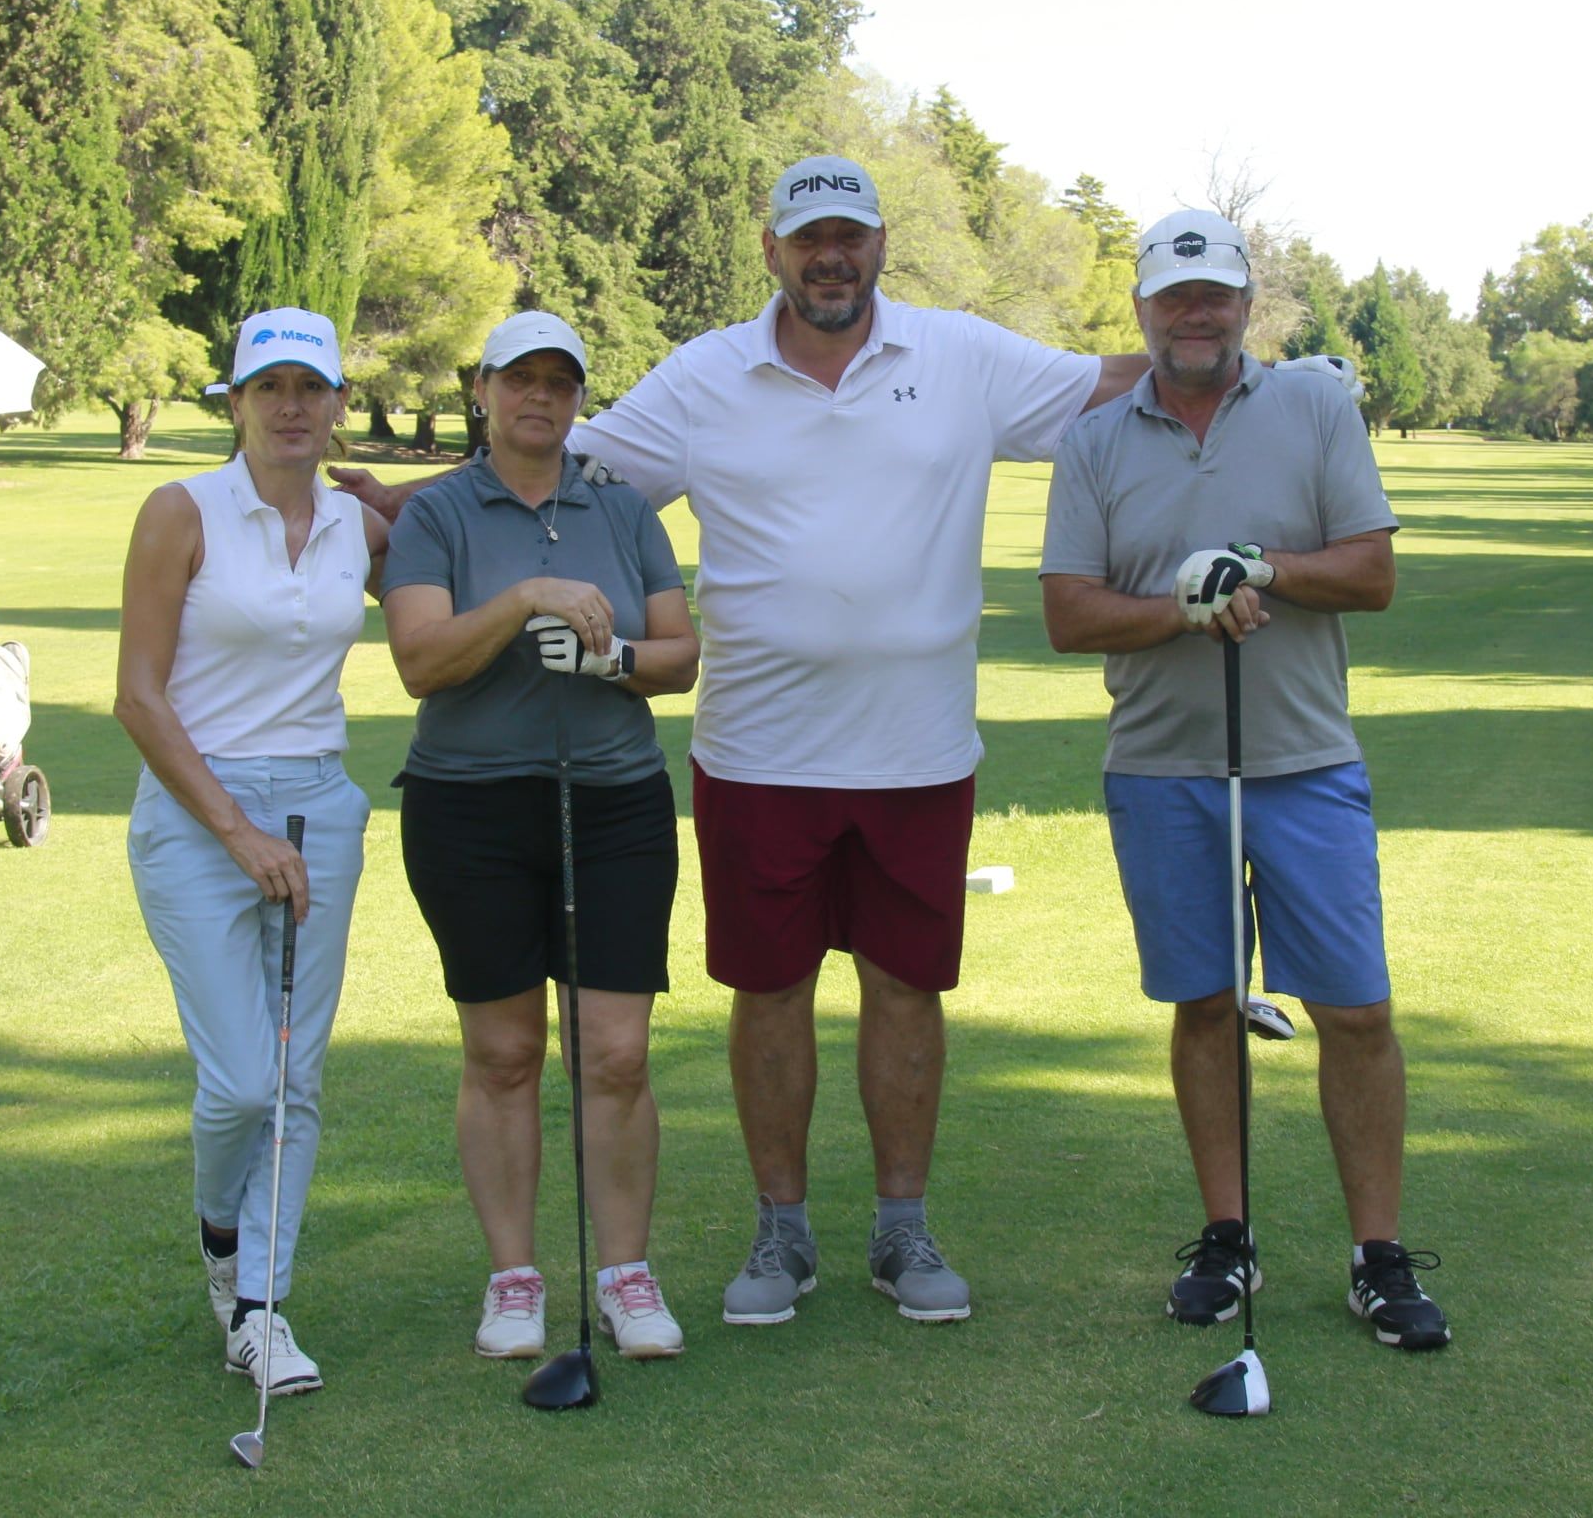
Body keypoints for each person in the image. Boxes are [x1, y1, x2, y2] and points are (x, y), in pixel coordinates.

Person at [348, 156, 1150, 1327]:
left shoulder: (963, 356)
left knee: (906, 989)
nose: (831, 256)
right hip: (759, 750)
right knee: (768, 990)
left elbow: (1112, 385)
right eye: (808, 238)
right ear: (772, 250)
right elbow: (546, 461)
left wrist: (1234, 364)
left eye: (851, 236)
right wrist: (394, 507)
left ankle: (901, 1229)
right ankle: (781, 1235)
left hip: (920, 749)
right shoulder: (708, 375)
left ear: (881, 245)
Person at [1038, 209, 1451, 1351]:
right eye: (1175, 298)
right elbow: (1069, 612)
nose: (1197, 315)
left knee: (1356, 1010)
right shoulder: (1096, 440)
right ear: (1142, 311)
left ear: (1246, 303)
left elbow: (1370, 574)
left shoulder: (1315, 405)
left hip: (1305, 762)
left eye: (1216, 295)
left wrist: (1263, 567)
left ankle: (1378, 1255)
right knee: (1206, 1006)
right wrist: (1180, 603)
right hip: (1163, 766)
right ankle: (1227, 1239)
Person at [379, 311, 700, 1362]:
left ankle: (625, 1274)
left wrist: (606, 661)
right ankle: (515, 1278)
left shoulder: (622, 508)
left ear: (577, 399)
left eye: (561, 384)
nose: (540, 400)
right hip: (469, 805)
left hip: (611, 800)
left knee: (615, 1052)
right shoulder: (438, 516)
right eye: (521, 381)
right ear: (482, 389)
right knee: (506, 1050)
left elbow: (679, 656)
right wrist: (524, 599)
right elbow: (421, 663)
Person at [114, 308, 389, 1396]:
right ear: (234, 401)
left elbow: (456, 524)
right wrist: (237, 832)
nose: (289, 407)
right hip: (197, 814)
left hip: (322, 805)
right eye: (267, 388)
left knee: (297, 1076)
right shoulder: (179, 512)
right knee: (237, 1082)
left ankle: (262, 1310)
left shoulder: (355, 528)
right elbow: (137, 696)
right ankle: (221, 1231)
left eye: (309, 389)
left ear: (334, 405)